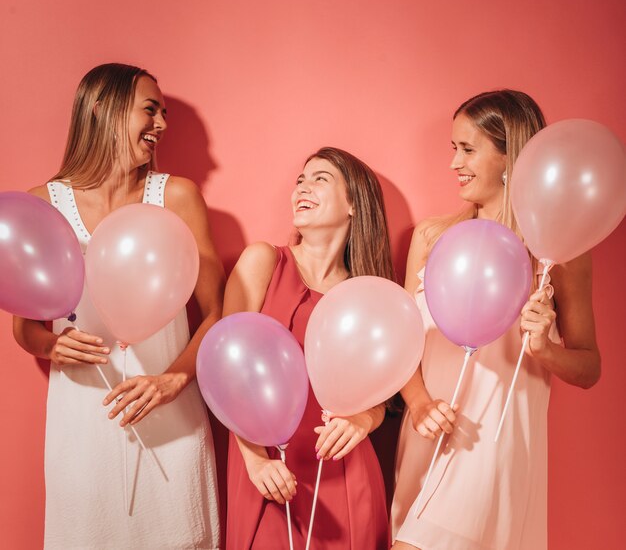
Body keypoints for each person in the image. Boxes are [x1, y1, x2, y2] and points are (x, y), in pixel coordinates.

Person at [13, 63, 224, 549]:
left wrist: (176, 380)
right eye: (151, 109)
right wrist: (51, 345)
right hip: (84, 421)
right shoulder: (45, 205)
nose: (163, 124)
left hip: (172, 415)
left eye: (165, 113)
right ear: (101, 108)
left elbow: (215, 312)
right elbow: (23, 327)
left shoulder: (178, 197)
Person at [391, 90, 601, 550]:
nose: (453, 164)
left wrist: (546, 347)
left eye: (467, 149)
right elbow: (402, 345)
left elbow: (589, 368)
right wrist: (421, 403)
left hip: (492, 444)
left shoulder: (557, 253)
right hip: (428, 433)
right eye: (453, 148)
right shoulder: (431, 237)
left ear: (512, 157)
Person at [224, 147, 391, 549]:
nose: (302, 187)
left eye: (321, 179)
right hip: (267, 469)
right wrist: (254, 460)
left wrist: (363, 421)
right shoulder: (263, 260)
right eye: (300, 179)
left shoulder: (367, 294)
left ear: (354, 203)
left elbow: (380, 397)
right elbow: (224, 371)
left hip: (346, 473)